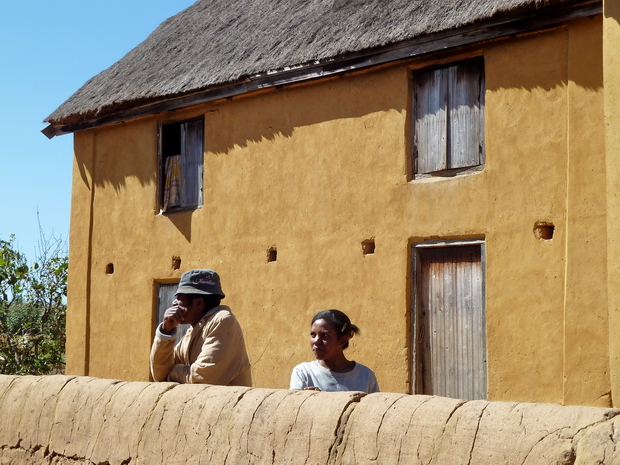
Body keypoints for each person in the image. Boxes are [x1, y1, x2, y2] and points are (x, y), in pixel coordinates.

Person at [150, 269, 252, 386]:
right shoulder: (193, 332)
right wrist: (166, 331)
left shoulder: (223, 321)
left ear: (198, 302)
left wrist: (171, 372)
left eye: (179, 298)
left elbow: (202, 378)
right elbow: (159, 374)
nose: (174, 303)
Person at [290, 309, 379, 393]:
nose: (316, 341)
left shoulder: (365, 376)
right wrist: (307, 399)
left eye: (324, 335)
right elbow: (293, 404)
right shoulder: (304, 372)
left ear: (342, 340)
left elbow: (374, 407)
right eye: (313, 335)